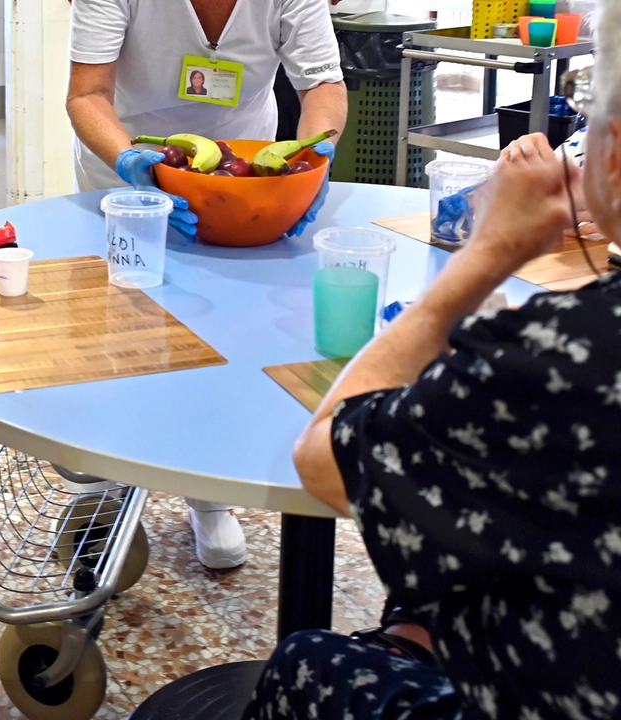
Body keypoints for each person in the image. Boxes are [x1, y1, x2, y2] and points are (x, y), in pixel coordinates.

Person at [243, 12, 621, 714]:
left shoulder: (565, 355)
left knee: (305, 661)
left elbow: (325, 457)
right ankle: (415, 635)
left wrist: (488, 253)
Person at [66, 0, 349, 569]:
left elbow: (322, 85)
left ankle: (211, 493)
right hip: (131, 163)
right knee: (125, 328)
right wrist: (131, 163)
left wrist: (310, 162)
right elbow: (87, 94)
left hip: (240, 173)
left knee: (227, 333)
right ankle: (108, 481)